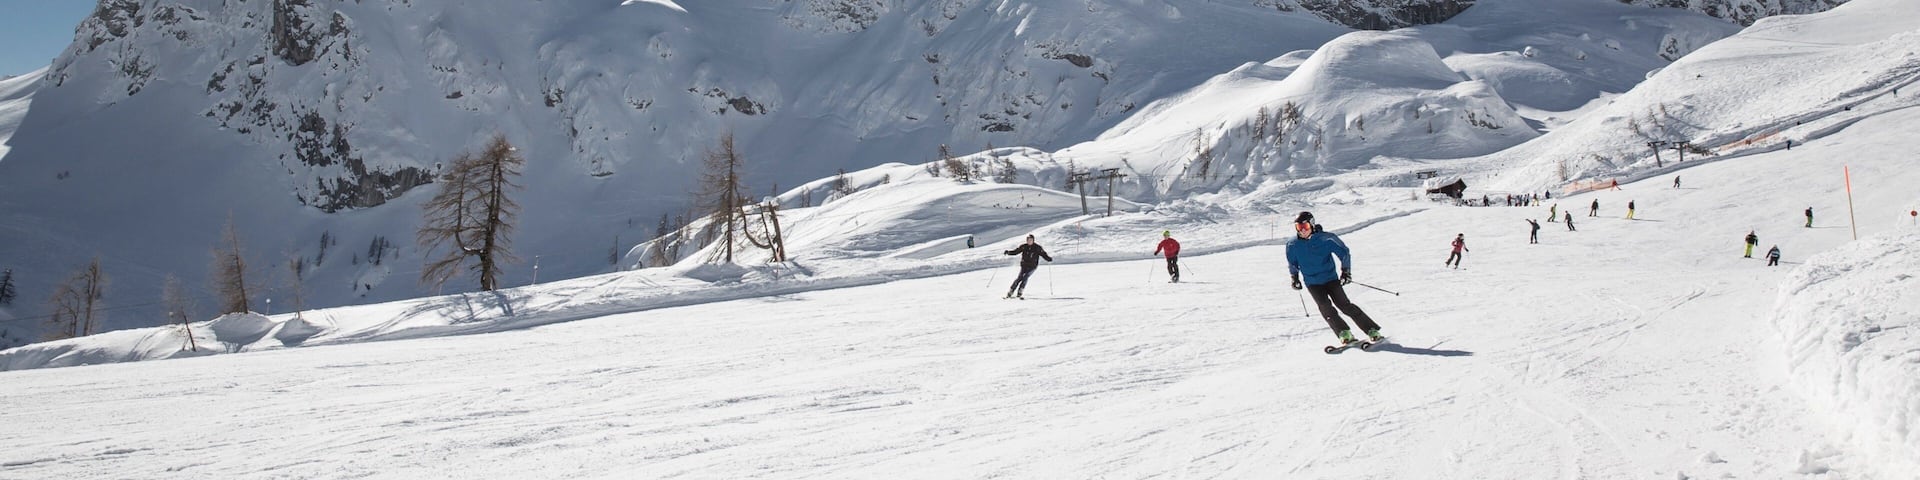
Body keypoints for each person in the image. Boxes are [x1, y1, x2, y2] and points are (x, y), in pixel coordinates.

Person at [1286, 212, 1383, 345]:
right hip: (1312, 283)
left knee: (1344, 305)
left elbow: (1344, 253)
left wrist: (1346, 272)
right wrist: (1294, 277)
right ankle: (1344, 333)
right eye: (1298, 227)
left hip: (1330, 279)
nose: (1302, 230)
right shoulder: (1292, 244)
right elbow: (1292, 262)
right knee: (1325, 308)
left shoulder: (1326, 238)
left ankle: (1371, 330)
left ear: (1312, 225)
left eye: (1305, 226)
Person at [1003, 234, 1052, 299]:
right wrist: (1008, 252)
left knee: (1025, 277)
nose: (1029, 241)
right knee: (1019, 278)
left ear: (1033, 240)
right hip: (1024, 265)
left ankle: (1020, 292)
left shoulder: (1037, 247)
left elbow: (1043, 254)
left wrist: (1048, 258)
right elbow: (1016, 252)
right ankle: (1010, 291)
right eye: (1028, 240)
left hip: (1032, 266)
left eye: (1031, 240)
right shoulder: (1024, 246)